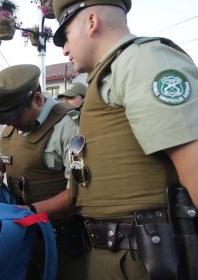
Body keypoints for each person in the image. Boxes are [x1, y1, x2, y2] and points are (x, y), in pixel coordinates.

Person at [52, 0, 198, 279]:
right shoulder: (108, 75)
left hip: (148, 257)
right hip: (120, 255)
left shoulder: (143, 61)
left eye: (66, 35)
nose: (65, 49)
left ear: (91, 22)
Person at [0, 64, 89, 280]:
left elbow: (79, 194)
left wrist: (27, 211)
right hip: (23, 240)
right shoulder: (13, 126)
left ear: (37, 100)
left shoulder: (69, 126)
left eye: (14, 116)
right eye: (4, 118)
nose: (9, 123)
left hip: (61, 242)